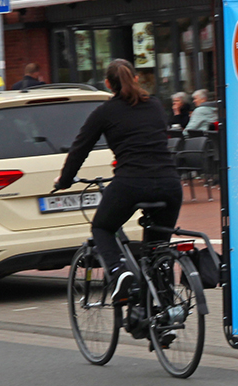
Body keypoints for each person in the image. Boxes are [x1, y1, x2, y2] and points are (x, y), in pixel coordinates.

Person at [55, 59, 182, 336]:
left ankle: (118, 271)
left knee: (102, 226)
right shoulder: (156, 105)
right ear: (135, 79)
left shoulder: (104, 112)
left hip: (132, 183)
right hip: (170, 185)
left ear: (108, 85)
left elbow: (79, 149)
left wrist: (64, 181)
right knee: (158, 249)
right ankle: (164, 319)